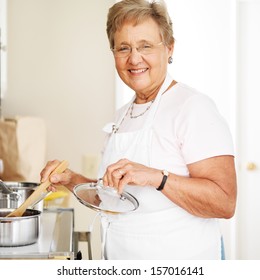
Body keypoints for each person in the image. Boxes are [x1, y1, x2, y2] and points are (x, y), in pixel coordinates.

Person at [40, 0, 237, 260]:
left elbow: (224, 202)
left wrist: (157, 177)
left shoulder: (193, 108)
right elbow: (111, 198)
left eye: (145, 46)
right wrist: (71, 179)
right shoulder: (122, 116)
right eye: (123, 48)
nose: (134, 58)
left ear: (169, 48)